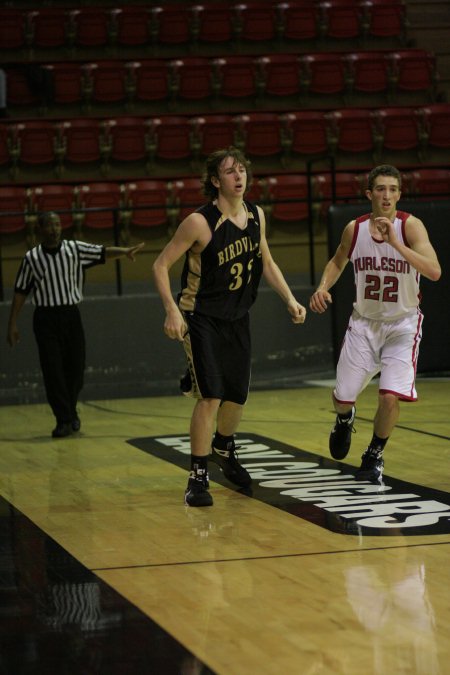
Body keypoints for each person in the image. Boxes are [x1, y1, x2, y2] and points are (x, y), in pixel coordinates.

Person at [153, 147, 307, 507]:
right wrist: (171, 311)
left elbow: (265, 259)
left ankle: (223, 445)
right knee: (212, 395)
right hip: (201, 317)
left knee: (237, 395)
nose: (239, 177)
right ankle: (197, 476)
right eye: (229, 172)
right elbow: (160, 265)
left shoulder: (256, 215)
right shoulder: (199, 222)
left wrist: (289, 298)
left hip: (238, 317)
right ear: (215, 180)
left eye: (242, 170)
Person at [309, 164, 441, 483]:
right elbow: (338, 259)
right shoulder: (355, 229)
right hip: (364, 324)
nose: (386, 195)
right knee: (342, 398)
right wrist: (322, 288)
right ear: (369, 194)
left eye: (392, 189)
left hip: (402, 324)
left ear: (399, 194)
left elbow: (434, 271)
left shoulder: (411, 227)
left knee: (389, 396)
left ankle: (375, 452)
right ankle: (344, 419)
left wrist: (396, 243)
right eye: (380, 189)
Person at [7, 211, 144, 438]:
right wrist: (12, 323)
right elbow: (21, 291)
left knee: (76, 370)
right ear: (40, 229)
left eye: (57, 224)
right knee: (53, 372)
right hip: (45, 319)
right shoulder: (31, 258)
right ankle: (64, 419)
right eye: (49, 225)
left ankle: (69, 411)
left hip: (71, 316)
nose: (54, 229)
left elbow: (102, 252)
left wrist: (125, 251)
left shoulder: (74, 249)